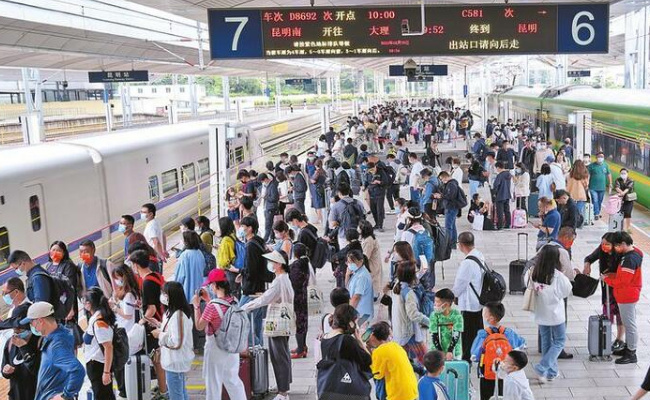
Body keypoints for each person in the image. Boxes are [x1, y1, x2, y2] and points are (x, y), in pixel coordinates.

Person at [241, 250, 294, 400]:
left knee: (279, 356)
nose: (269, 264)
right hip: (284, 321)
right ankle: (283, 386)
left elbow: (265, 299)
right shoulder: (284, 278)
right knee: (282, 354)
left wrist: (247, 306)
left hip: (277, 323)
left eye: (272, 262)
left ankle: (283, 392)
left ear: (278, 264)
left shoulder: (279, 281)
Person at [192, 269, 247, 400]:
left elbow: (200, 326)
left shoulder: (212, 306)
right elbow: (222, 312)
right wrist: (209, 299)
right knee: (232, 380)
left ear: (216, 285)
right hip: (232, 346)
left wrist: (196, 306)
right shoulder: (234, 300)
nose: (210, 286)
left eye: (210, 284)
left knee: (213, 382)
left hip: (216, 347)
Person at [525, 245, 572, 383]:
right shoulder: (558, 276)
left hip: (540, 313)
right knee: (559, 341)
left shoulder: (533, 273)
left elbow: (526, 285)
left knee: (546, 341)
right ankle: (542, 367)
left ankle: (551, 372)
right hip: (555, 315)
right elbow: (566, 291)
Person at [20, 301, 85, 400]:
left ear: (40, 321)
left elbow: (77, 370)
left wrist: (65, 396)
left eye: (31, 322)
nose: (31, 326)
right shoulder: (61, 333)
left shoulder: (56, 345)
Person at [129, 250, 167, 396]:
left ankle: (163, 391)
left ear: (136, 265)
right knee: (159, 359)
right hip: (161, 321)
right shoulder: (156, 275)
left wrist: (140, 321)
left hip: (153, 326)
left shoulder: (147, 282)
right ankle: (162, 386)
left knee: (157, 360)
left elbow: (151, 309)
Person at [603, 231, 644, 364]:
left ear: (624, 244)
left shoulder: (629, 260)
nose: (615, 248)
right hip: (628, 294)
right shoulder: (635, 253)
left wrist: (607, 279)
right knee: (628, 322)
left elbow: (623, 282)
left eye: (617, 246)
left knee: (629, 324)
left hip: (627, 296)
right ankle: (628, 348)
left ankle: (631, 353)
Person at [470, 302, 525, 399]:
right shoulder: (508, 332)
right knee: (503, 394)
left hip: (486, 373)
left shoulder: (483, 334)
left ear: (490, 318)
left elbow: (475, 355)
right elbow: (521, 344)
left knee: (487, 395)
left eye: (484, 314)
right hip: (505, 371)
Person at [151, 282, 194, 400]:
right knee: (180, 392)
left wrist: (159, 334)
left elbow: (176, 342)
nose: (162, 296)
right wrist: (159, 325)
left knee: (176, 395)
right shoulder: (174, 312)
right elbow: (173, 331)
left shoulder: (178, 315)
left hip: (175, 362)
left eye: (165, 293)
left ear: (172, 296)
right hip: (175, 361)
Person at [583, 232, 625, 350]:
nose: (603, 246)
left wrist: (612, 275)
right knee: (608, 311)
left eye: (607, 244)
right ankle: (605, 336)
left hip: (619, 288)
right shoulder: (601, 250)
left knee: (620, 314)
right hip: (606, 288)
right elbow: (589, 258)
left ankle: (619, 339)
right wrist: (587, 265)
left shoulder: (621, 253)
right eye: (602, 243)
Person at [319, 304, 372, 396]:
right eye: (355, 321)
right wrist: (359, 339)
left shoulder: (325, 339)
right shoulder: (346, 340)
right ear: (350, 322)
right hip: (348, 391)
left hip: (330, 388)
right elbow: (368, 360)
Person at [0, 278, 40, 400]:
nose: (15, 331)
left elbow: (36, 368)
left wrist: (23, 346)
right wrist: (6, 371)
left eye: (5, 293)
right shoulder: (11, 342)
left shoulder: (38, 341)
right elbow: (5, 367)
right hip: (17, 392)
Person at [451, 232, 485, 362]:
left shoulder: (467, 263)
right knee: (477, 329)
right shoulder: (479, 255)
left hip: (470, 303)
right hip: (478, 300)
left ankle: (467, 357)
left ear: (461, 245)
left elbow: (460, 283)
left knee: (468, 333)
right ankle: (479, 352)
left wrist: (452, 296)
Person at [389, 261, 429, 367]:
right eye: (415, 271)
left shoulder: (397, 286)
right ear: (411, 275)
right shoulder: (408, 293)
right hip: (410, 334)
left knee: (403, 362)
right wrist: (430, 321)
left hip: (399, 331)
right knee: (426, 362)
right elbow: (414, 315)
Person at [239, 216, 272, 346]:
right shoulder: (259, 242)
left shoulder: (250, 246)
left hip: (251, 290)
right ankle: (260, 349)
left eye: (243, 226)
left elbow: (251, 269)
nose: (241, 229)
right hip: (260, 287)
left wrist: (242, 272)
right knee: (257, 321)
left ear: (250, 229)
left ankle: (256, 347)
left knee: (242, 317)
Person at [110, 265, 140, 398]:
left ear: (124, 277)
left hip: (126, 331)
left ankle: (125, 390)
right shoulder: (129, 292)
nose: (117, 281)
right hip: (124, 329)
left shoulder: (129, 295)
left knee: (121, 362)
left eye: (117, 278)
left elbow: (128, 314)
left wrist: (115, 307)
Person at [369, 321, 418, 400]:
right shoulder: (396, 346)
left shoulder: (378, 352)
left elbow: (377, 374)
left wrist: (365, 347)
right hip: (412, 393)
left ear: (373, 337)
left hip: (398, 396)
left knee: (379, 380)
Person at [82, 287, 116, 399]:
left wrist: (106, 372)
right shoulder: (98, 316)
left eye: (85, 300)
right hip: (97, 364)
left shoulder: (98, 322)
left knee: (102, 396)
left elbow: (108, 347)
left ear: (90, 303)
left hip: (98, 366)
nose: (84, 303)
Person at [45, 241, 80, 319]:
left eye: (58, 250)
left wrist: (70, 308)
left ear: (64, 253)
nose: (55, 252)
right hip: (53, 303)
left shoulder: (68, 266)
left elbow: (70, 287)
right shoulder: (48, 266)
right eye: (53, 250)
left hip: (65, 303)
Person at [288, 243, 310, 359]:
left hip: (297, 297)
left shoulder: (297, 265)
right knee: (303, 321)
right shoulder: (305, 263)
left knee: (299, 323)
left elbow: (294, 282)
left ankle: (300, 349)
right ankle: (303, 346)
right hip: (303, 296)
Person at [328, 183, 366, 249]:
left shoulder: (336, 206)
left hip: (344, 236)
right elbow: (363, 217)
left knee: (346, 256)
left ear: (338, 192)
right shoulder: (358, 203)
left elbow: (332, 224)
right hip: (359, 234)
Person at [429, 288, 463, 360]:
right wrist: (440, 351)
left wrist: (450, 350)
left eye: (437, 302)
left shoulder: (457, 315)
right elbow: (434, 334)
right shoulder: (434, 315)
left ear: (446, 304)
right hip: (436, 351)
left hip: (454, 351)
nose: (435, 304)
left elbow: (456, 333)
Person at [174, 231, 206, 303]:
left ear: (186, 242)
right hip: (200, 290)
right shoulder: (199, 253)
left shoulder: (184, 255)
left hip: (188, 293)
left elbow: (179, 277)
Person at [434, 171, 462, 247]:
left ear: (445, 177)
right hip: (452, 207)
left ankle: (448, 244)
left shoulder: (451, 184)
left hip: (451, 207)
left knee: (448, 226)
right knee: (452, 225)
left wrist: (441, 196)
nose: (442, 181)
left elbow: (450, 196)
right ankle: (453, 243)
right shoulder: (452, 183)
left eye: (441, 179)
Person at [346, 249, 374, 323]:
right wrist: (347, 275)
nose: (350, 264)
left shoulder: (362, 276)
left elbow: (356, 297)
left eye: (352, 262)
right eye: (348, 262)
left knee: (363, 334)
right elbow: (347, 287)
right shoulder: (356, 272)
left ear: (361, 261)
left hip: (362, 315)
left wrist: (348, 313)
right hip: (359, 312)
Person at [216, 217, 241, 299]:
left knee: (231, 296)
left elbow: (224, 263)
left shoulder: (225, 240)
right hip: (235, 271)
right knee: (236, 294)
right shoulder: (232, 236)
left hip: (229, 273)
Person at [359, 220, 383, 301]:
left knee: (373, 280)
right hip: (374, 263)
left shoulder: (368, 241)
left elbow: (366, 256)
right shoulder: (369, 238)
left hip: (371, 264)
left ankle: (374, 295)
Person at [365, 161, 389, 232]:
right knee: (373, 210)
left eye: (372, 169)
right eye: (370, 170)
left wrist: (378, 182)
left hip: (380, 193)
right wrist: (365, 186)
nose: (371, 171)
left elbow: (386, 182)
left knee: (379, 210)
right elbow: (366, 181)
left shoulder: (381, 172)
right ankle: (377, 224)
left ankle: (380, 226)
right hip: (371, 193)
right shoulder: (368, 172)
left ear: (375, 167)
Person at [587, 152, 612, 219]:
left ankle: (597, 212)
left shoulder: (606, 165)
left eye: (602, 157)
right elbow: (588, 175)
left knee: (599, 201)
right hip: (593, 187)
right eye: (599, 156)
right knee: (595, 200)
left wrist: (610, 183)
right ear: (596, 158)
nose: (600, 158)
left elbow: (609, 174)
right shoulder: (591, 166)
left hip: (602, 187)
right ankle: (596, 214)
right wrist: (587, 183)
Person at [492, 161, 512, 230]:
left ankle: (499, 226)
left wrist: (494, 193)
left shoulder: (500, 175)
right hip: (507, 195)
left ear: (498, 167)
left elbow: (496, 185)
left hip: (500, 195)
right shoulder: (508, 174)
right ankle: (508, 224)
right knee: (507, 210)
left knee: (499, 211)